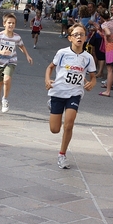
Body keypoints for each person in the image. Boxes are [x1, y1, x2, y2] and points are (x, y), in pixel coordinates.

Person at [45, 23, 97, 169]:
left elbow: (93, 76)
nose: (79, 37)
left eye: (82, 34)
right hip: (58, 92)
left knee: (68, 124)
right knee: (55, 129)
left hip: (74, 93)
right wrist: (47, 80)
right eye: (76, 35)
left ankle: (62, 154)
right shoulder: (62, 53)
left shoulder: (88, 58)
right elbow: (50, 67)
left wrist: (92, 83)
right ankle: (52, 105)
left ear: (86, 37)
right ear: (70, 38)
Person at [0, 13, 33, 113]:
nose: (11, 25)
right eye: (9, 23)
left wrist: (27, 55)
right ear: (4, 23)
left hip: (11, 61)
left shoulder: (17, 37)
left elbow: (21, 46)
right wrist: (1, 52)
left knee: (7, 79)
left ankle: (5, 99)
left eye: (13, 23)